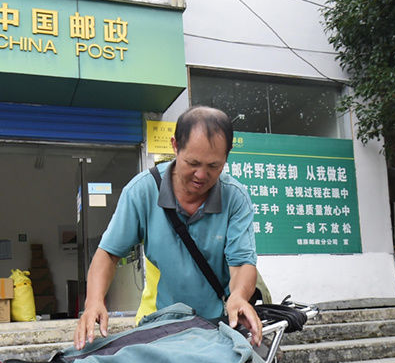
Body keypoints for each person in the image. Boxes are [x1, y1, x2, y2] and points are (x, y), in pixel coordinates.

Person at [73, 105, 263, 349]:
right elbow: (109, 253)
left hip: (218, 325)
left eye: (213, 166)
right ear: (175, 146)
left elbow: (242, 264)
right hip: (159, 325)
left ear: (227, 156)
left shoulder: (235, 198)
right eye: (192, 162)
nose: (201, 175)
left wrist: (238, 297)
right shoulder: (142, 191)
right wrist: (94, 302)